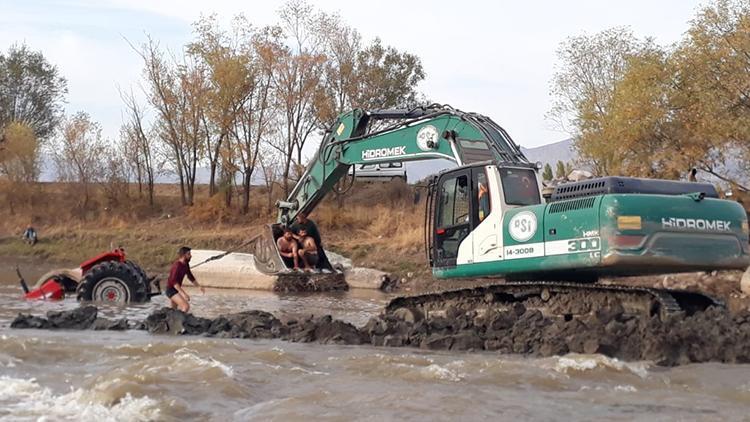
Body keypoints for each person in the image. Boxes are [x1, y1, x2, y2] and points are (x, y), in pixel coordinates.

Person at [166, 246, 204, 312]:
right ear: (183, 255)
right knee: (186, 307)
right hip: (171, 290)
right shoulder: (177, 265)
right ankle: (182, 321)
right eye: (188, 254)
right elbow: (174, 282)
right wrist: (184, 294)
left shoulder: (186, 264)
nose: (191, 256)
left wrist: (199, 286)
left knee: (173, 310)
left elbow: (190, 276)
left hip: (176, 290)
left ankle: (173, 320)